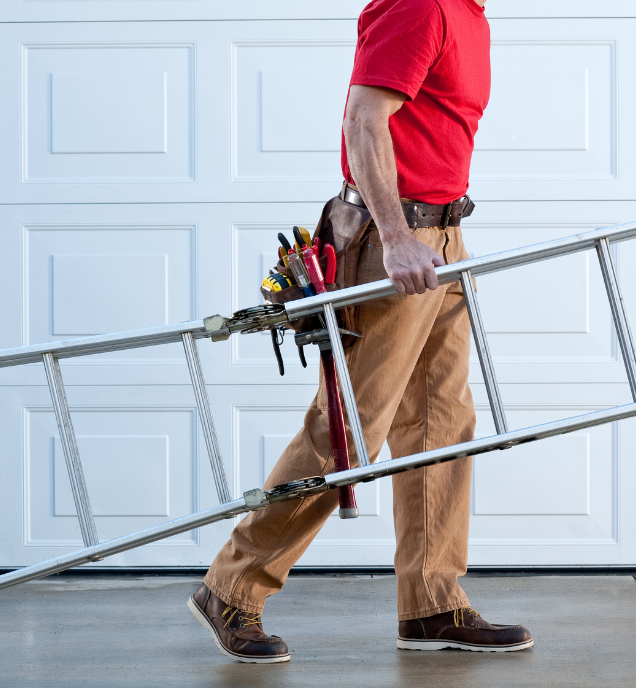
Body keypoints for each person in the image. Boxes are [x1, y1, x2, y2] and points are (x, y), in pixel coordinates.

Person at [188, 0, 532, 662]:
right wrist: (399, 237)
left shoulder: (470, 13)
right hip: (391, 238)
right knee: (348, 428)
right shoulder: (421, 5)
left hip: (444, 236)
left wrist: (433, 237)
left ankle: (431, 603)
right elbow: (363, 119)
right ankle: (231, 586)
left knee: (439, 423)